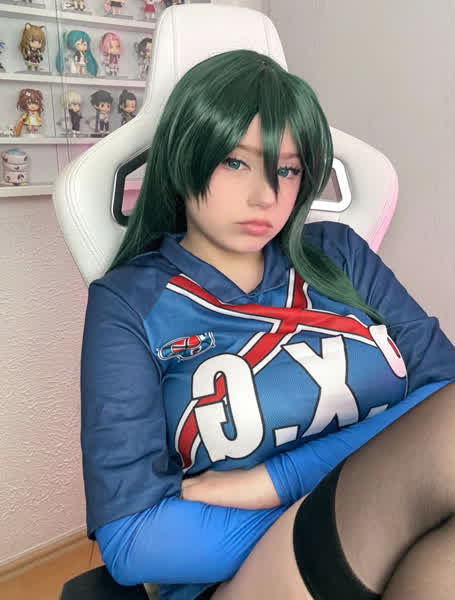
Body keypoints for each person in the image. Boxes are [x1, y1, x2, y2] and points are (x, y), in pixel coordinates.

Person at [80, 49, 455, 600]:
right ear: (185, 156)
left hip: (393, 546)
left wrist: (275, 481)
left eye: (287, 169)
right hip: (246, 576)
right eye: (235, 162)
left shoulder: (340, 256)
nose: (266, 195)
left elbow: (442, 389)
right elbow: (133, 538)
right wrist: (370, 508)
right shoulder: (129, 303)